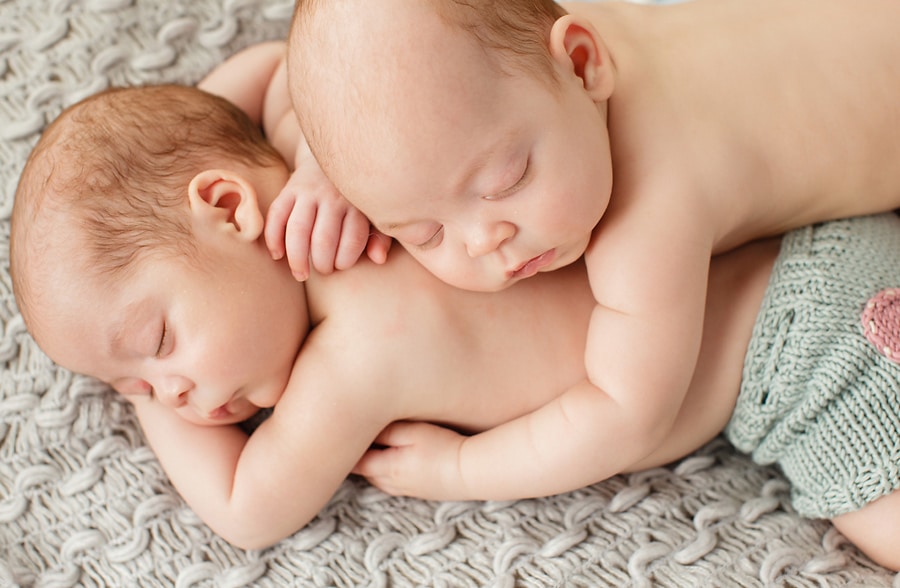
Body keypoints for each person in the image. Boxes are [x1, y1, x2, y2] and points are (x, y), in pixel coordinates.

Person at [9, 41, 781, 552]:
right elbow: (278, 69)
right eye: (136, 391)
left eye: (160, 342)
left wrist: (313, 162)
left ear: (230, 207)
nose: (173, 399)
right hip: (738, 261)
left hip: (784, 344)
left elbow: (245, 509)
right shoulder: (310, 148)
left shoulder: (351, 364)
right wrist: (308, 159)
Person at [282, 0, 900, 568]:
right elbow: (369, 87)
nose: (482, 241)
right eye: (424, 233)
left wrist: (461, 468)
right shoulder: (527, 48)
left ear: (583, 63)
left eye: (505, 182)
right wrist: (319, 168)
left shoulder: (653, 208)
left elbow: (627, 413)